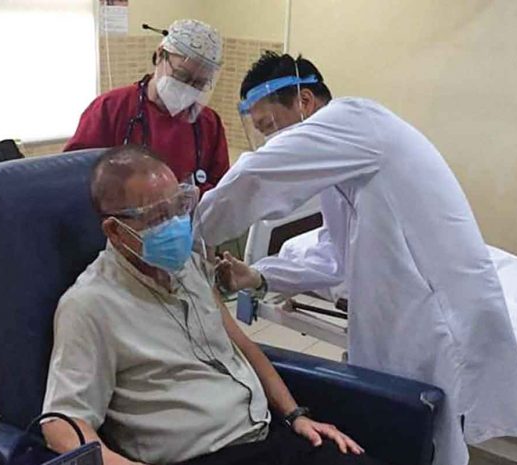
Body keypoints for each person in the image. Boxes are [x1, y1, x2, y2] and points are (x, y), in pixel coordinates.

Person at [194, 52, 517, 465]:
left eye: (269, 125)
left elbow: (258, 175)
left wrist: (188, 229)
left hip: (433, 321)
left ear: (304, 101)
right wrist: (258, 276)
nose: (270, 139)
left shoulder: (354, 121)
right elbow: (334, 256)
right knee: (407, 437)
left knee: (426, 440)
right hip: (404, 317)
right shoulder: (348, 163)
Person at [41, 145, 384, 465]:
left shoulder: (187, 266)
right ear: (115, 230)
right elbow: (61, 426)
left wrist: (296, 416)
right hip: (201, 455)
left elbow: (242, 344)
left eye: (178, 206)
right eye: (158, 216)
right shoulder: (90, 305)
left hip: (261, 435)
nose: (176, 224)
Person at [64, 19, 230, 194]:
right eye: (181, 75)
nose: (187, 88)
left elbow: (221, 191)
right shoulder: (110, 108)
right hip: (123, 219)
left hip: (187, 220)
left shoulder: (208, 123)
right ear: (160, 55)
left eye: (198, 84)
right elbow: (73, 176)